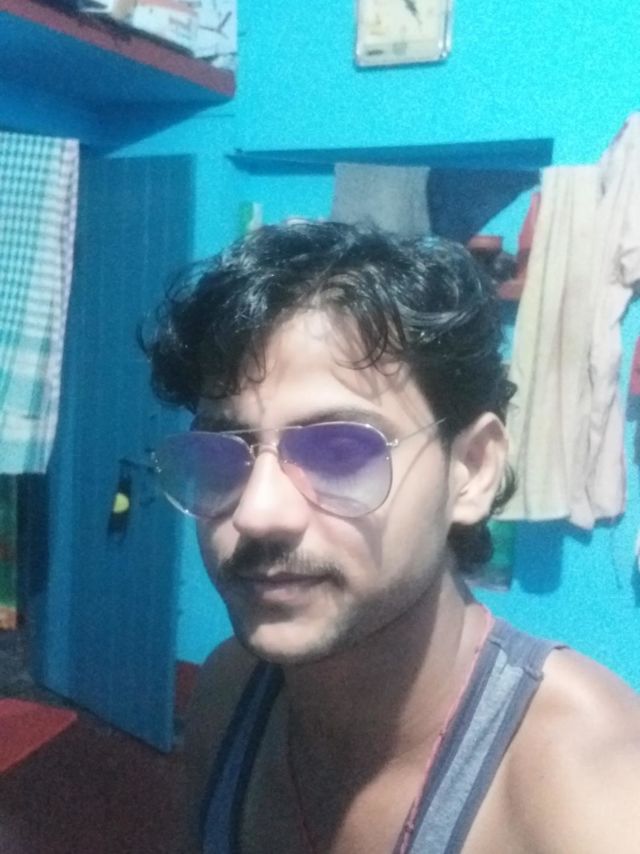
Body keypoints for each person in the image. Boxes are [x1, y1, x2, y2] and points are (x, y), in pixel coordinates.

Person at [143, 222, 640, 854]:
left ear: (472, 470)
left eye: (341, 451)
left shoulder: (593, 799)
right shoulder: (229, 695)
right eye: (222, 453)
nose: (257, 513)